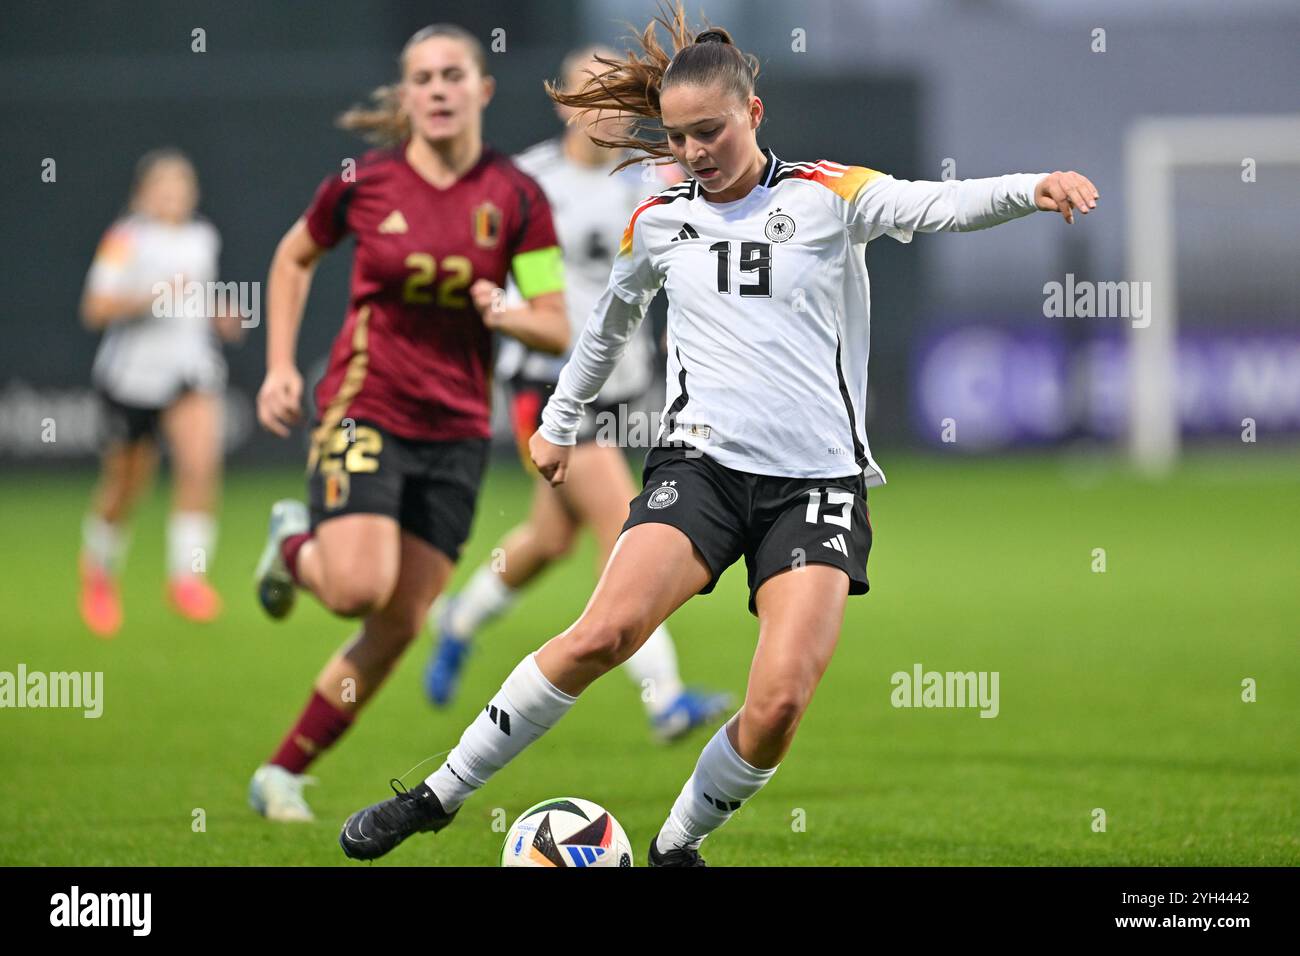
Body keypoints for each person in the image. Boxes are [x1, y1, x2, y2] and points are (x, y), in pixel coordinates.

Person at [338, 6, 1098, 865]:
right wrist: (557, 426)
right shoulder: (658, 219)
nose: (696, 152)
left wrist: (1031, 187)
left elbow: (937, 203)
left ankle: (674, 845)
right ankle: (437, 797)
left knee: (776, 706)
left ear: (753, 114)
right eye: (678, 137)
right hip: (699, 467)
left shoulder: (829, 195)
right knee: (601, 635)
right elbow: (605, 330)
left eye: (711, 131)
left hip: (816, 489)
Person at [247, 23, 569, 823]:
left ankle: (281, 772)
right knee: (358, 586)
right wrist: (281, 366)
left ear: (482, 90)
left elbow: (559, 323)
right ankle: (295, 540)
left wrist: (511, 312)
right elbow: (293, 257)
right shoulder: (368, 181)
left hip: (457, 429)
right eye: (421, 77)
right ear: (407, 95)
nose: (436, 88)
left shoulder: (519, 198)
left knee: (399, 622)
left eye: (452, 74)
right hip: (368, 404)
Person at [423, 45, 731, 743]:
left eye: (617, 94)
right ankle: (665, 698)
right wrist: (496, 308)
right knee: (622, 524)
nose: (606, 108)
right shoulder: (525, 182)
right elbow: (478, 273)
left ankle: (458, 622)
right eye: (590, 93)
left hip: (626, 387)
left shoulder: (654, 179)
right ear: (562, 102)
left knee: (547, 538)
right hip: (547, 388)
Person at [78, 148, 237, 638]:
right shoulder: (125, 240)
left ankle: (187, 578)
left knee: (200, 465)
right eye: (162, 187)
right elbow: (96, 308)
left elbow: (200, 295)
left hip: (190, 371)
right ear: (142, 194)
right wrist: (151, 296)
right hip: (132, 379)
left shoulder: (203, 237)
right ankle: (100, 572)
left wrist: (222, 314)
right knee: (126, 487)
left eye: (181, 185)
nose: (173, 195)